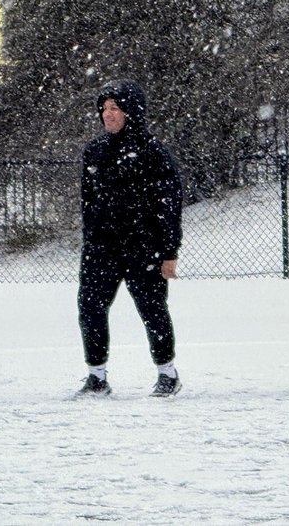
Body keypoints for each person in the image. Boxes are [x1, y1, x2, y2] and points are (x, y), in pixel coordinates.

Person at [75, 79, 184, 398]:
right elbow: (88, 201)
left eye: (115, 108)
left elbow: (169, 203)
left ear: (130, 111)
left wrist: (168, 250)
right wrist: (92, 237)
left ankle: (167, 373)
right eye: (104, 109)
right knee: (90, 306)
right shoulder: (94, 151)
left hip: (142, 246)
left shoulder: (152, 152)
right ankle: (96, 376)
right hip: (102, 248)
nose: (108, 114)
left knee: (152, 308)